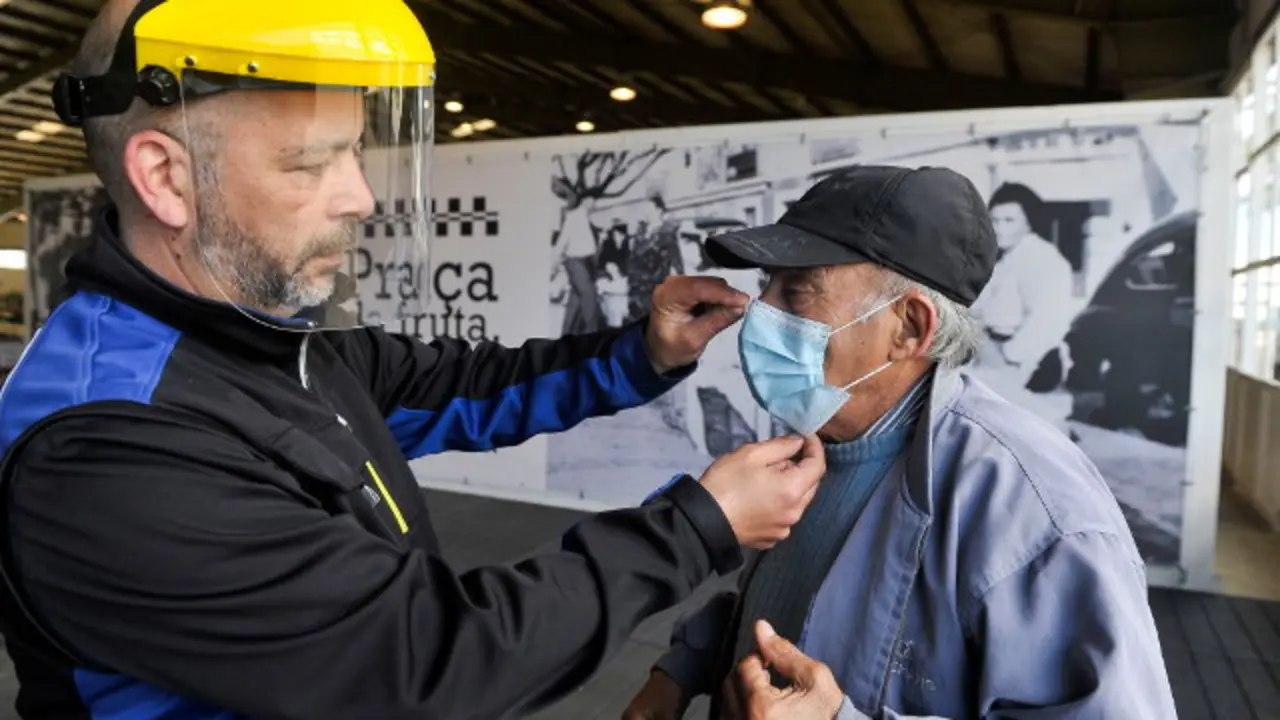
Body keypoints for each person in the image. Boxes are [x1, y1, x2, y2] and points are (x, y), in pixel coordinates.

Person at [0, 2, 828, 719]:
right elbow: (427, 661)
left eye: (354, 152)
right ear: (165, 177)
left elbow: (464, 390)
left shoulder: (255, 341)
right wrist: (698, 525)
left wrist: (643, 353)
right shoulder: (104, 449)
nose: (359, 196)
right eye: (310, 161)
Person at [623, 165, 1176, 720]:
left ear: (909, 327)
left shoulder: (1033, 511)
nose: (759, 312)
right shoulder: (823, 440)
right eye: (766, 283)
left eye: (798, 292)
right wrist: (685, 666)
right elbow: (788, 600)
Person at [968, 183, 1077, 436]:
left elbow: (1047, 320)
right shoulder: (1003, 258)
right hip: (989, 350)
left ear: (1029, 222)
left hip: (1024, 360)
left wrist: (1009, 356)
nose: (999, 228)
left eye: (1009, 220)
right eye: (994, 220)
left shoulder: (1042, 258)